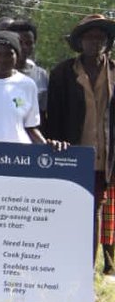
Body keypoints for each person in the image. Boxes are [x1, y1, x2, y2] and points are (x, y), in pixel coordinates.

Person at [44, 14, 115, 273]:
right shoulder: (62, 73)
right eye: (90, 37)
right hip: (70, 154)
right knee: (67, 210)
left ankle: (86, 269)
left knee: (94, 210)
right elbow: (53, 117)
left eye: (101, 37)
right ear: (80, 42)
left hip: (103, 156)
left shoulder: (114, 72)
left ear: (107, 42)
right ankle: (61, 267)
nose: (96, 42)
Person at [0, 32, 54, 145]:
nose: (3, 59)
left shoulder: (27, 84)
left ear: (17, 55)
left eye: (9, 54)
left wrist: (49, 146)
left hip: (18, 155)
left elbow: (30, 127)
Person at [8, 19, 49, 118]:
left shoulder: (41, 76)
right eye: (20, 42)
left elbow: (43, 112)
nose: (24, 47)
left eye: (29, 43)